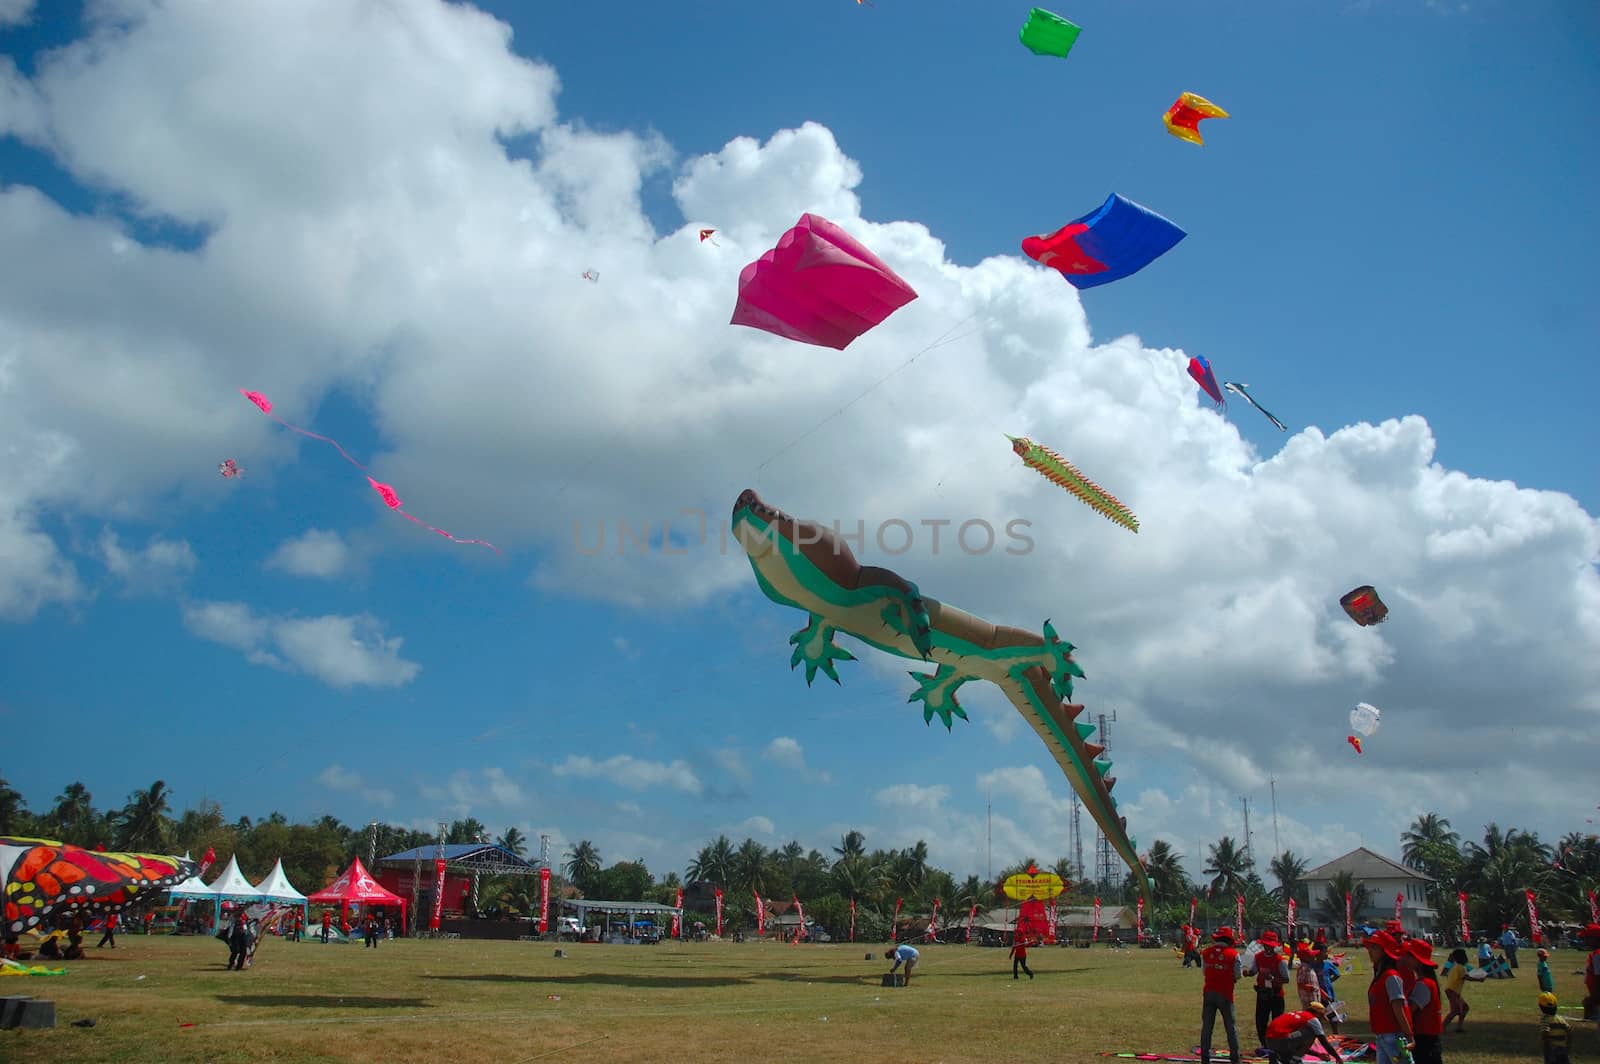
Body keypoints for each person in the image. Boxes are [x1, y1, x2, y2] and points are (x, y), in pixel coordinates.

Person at [1364, 930, 1416, 1064]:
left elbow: (1398, 1009)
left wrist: (1409, 1036)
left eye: (1374, 947)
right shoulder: (1380, 976)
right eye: (1370, 947)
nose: (1370, 951)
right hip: (1382, 1035)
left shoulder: (1391, 976)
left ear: (1384, 951)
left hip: (1394, 1035)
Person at [1200, 926, 1243, 1064]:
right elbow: (1238, 975)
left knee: (1207, 1027)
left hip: (1209, 992)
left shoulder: (1206, 952)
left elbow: (1204, 972)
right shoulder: (1234, 954)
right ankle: (1235, 1057)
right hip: (1225, 994)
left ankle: (1204, 1058)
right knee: (1230, 1027)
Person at [1400, 938, 1444, 1064]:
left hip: (1424, 1040)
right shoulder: (1426, 982)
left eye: (1409, 956)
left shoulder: (1424, 984)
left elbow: (1410, 1010)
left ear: (1418, 960)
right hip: (1426, 1039)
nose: (1405, 959)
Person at [1262, 1001, 1342, 1064]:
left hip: (1270, 1042)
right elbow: (1324, 1042)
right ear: (1317, 1013)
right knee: (1312, 1032)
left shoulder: (1299, 1015)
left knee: (1286, 1059)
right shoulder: (1312, 1019)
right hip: (1282, 1041)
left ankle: (1279, 1056)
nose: (1321, 1020)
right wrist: (1337, 1058)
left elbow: (1300, 1044)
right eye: (1321, 1016)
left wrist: (1318, 1055)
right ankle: (1295, 1059)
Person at [1251, 930, 1290, 1053]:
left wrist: (1273, 979)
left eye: (1271, 945)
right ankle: (1265, 1045)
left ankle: (1278, 1045)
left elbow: (1286, 979)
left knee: (1277, 1022)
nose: (1268, 947)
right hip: (1262, 993)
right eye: (1266, 945)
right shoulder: (1258, 957)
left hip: (1276, 994)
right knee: (1260, 1021)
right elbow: (1254, 970)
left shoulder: (1279, 960)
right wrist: (1249, 973)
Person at [1440, 947, 1472, 1032]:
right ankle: (1441, 1028)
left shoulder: (1455, 967)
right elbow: (1466, 977)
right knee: (1455, 1011)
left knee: (1464, 1008)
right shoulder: (1461, 967)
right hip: (1452, 991)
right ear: (1462, 958)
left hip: (1453, 991)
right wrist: (1479, 979)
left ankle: (1459, 1027)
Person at [1540, 992, 1571, 1064]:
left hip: (1551, 1049)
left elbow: (1545, 1031)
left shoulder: (1545, 1019)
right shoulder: (1561, 1019)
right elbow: (1569, 1030)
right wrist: (1568, 1044)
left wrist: (1545, 1041)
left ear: (1541, 1007)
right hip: (1563, 1048)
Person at [1295, 945, 1322, 1009]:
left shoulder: (1310, 968)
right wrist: (1308, 987)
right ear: (1306, 958)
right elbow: (1300, 983)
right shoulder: (1303, 968)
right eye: (1312, 955)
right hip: (1308, 1000)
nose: (1315, 957)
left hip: (1315, 998)